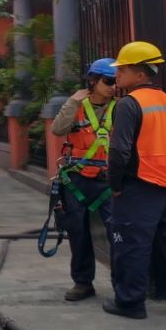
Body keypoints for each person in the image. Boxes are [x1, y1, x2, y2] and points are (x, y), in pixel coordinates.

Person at [103, 41, 166, 321]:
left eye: (122, 69)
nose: (117, 75)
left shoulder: (129, 104)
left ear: (140, 73)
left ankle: (130, 302)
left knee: (131, 245)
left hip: (140, 184)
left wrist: (115, 184)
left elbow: (119, 150)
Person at [49, 57, 118, 302]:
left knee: (117, 232)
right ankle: (82, 282)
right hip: (77, 179)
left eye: (115, 82)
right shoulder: (76, 106)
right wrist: (71, 102)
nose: (112, 86)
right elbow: (57, 129)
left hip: (109, 180)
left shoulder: (120, 106)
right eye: (108, 81)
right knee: (78, 231)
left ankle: (121, 283)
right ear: (93, 80)